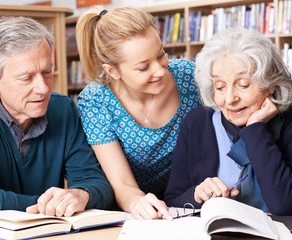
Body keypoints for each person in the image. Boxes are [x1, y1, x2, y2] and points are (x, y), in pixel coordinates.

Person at [0, 16, 114, 232]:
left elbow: (99, 184)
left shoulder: (64, 109)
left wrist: (81, 194)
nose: (43, 88)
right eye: (27, 78)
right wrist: (51, 205)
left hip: (43, 234)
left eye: (46, 72)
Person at [76, 6, 200, 220]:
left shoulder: (189, 77)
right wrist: (137, 202)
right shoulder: (95, 101)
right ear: (112, 71)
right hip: (136, 208)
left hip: (191, 198)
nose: (160, 70)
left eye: (161, 55)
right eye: (143, 68)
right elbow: (122, 184)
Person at [165, 27, 292, 215]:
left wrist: (255, 129)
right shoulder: (197, 122)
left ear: (271, 84)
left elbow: (289, 207)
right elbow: (173, 199)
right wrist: (197, 195)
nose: (230, 99)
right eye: (220, 87)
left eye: (243, 85)